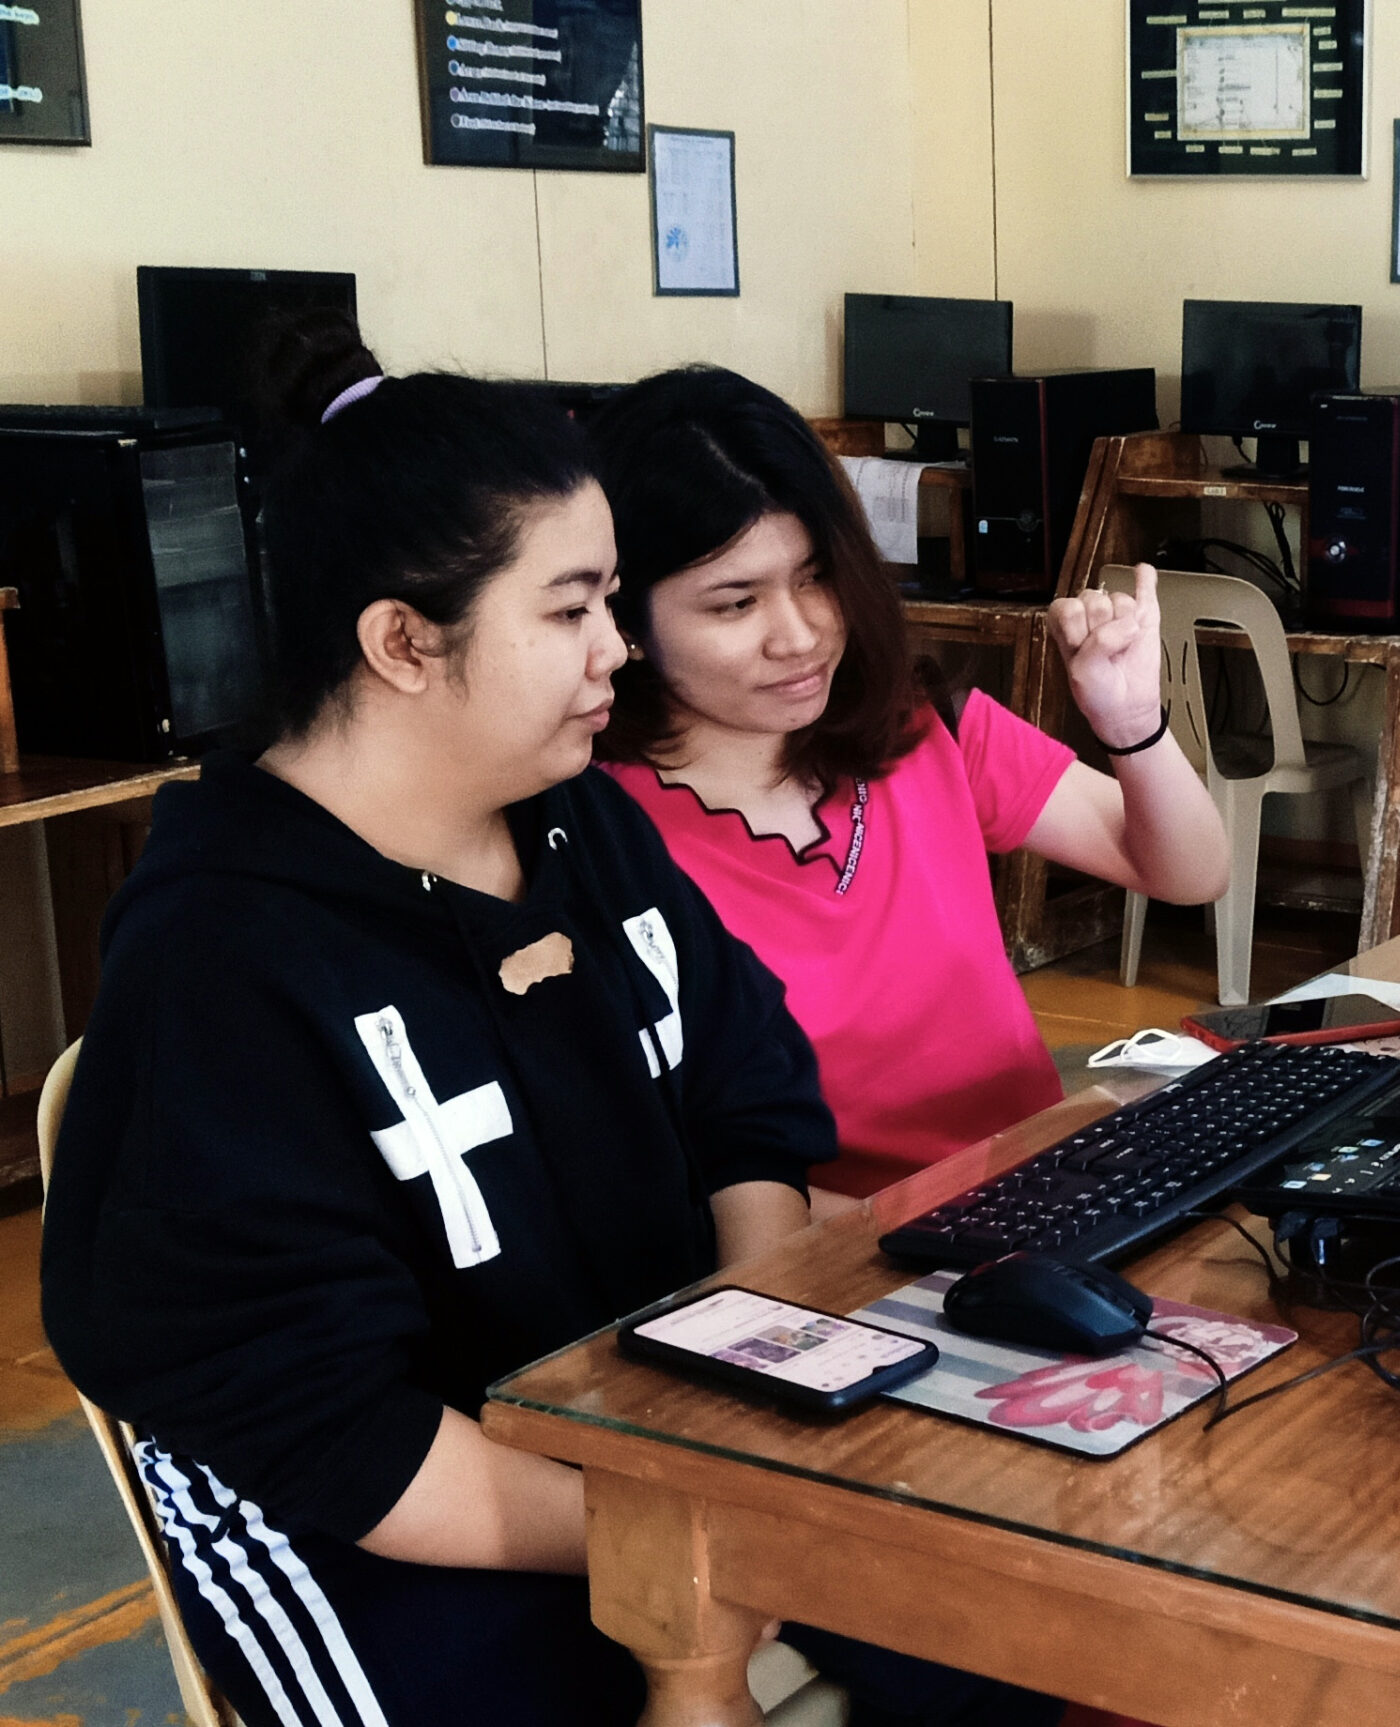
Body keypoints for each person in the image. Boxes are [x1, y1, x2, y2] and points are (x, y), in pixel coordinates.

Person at [37, 320, 1061, 1727]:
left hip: (644, 1420)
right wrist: (686, 1529)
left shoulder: (574, 821)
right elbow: (334, 1428)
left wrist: (749, 1365)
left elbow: (742, 1090)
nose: (617, 650)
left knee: (994, 1633)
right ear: (402, 640)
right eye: (572, 607)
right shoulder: (221, 963)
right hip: (386, 1522)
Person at [586, 367, 1228, 1203]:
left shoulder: (922, 727)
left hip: (1055, 1192)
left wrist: (1131, 723)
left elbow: (1189, 871)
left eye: (817, 576)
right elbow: (678, 1179)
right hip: (853, 1261)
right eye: (735, 604)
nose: (802, 634)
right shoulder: (605, 839)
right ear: (626, 621)